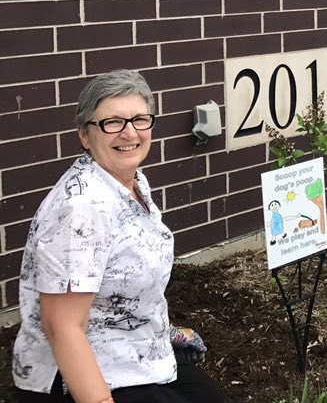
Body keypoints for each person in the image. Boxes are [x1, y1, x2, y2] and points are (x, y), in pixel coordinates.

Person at [12, 69, 224, 403]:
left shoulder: (131, 183)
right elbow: (62, 328)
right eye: (112, 122)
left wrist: (164, 330)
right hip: (76, 373)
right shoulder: (80, 208)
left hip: (131, 346)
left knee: (210, 397)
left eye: (140, 119)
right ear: (85, 135)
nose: (129, 133)